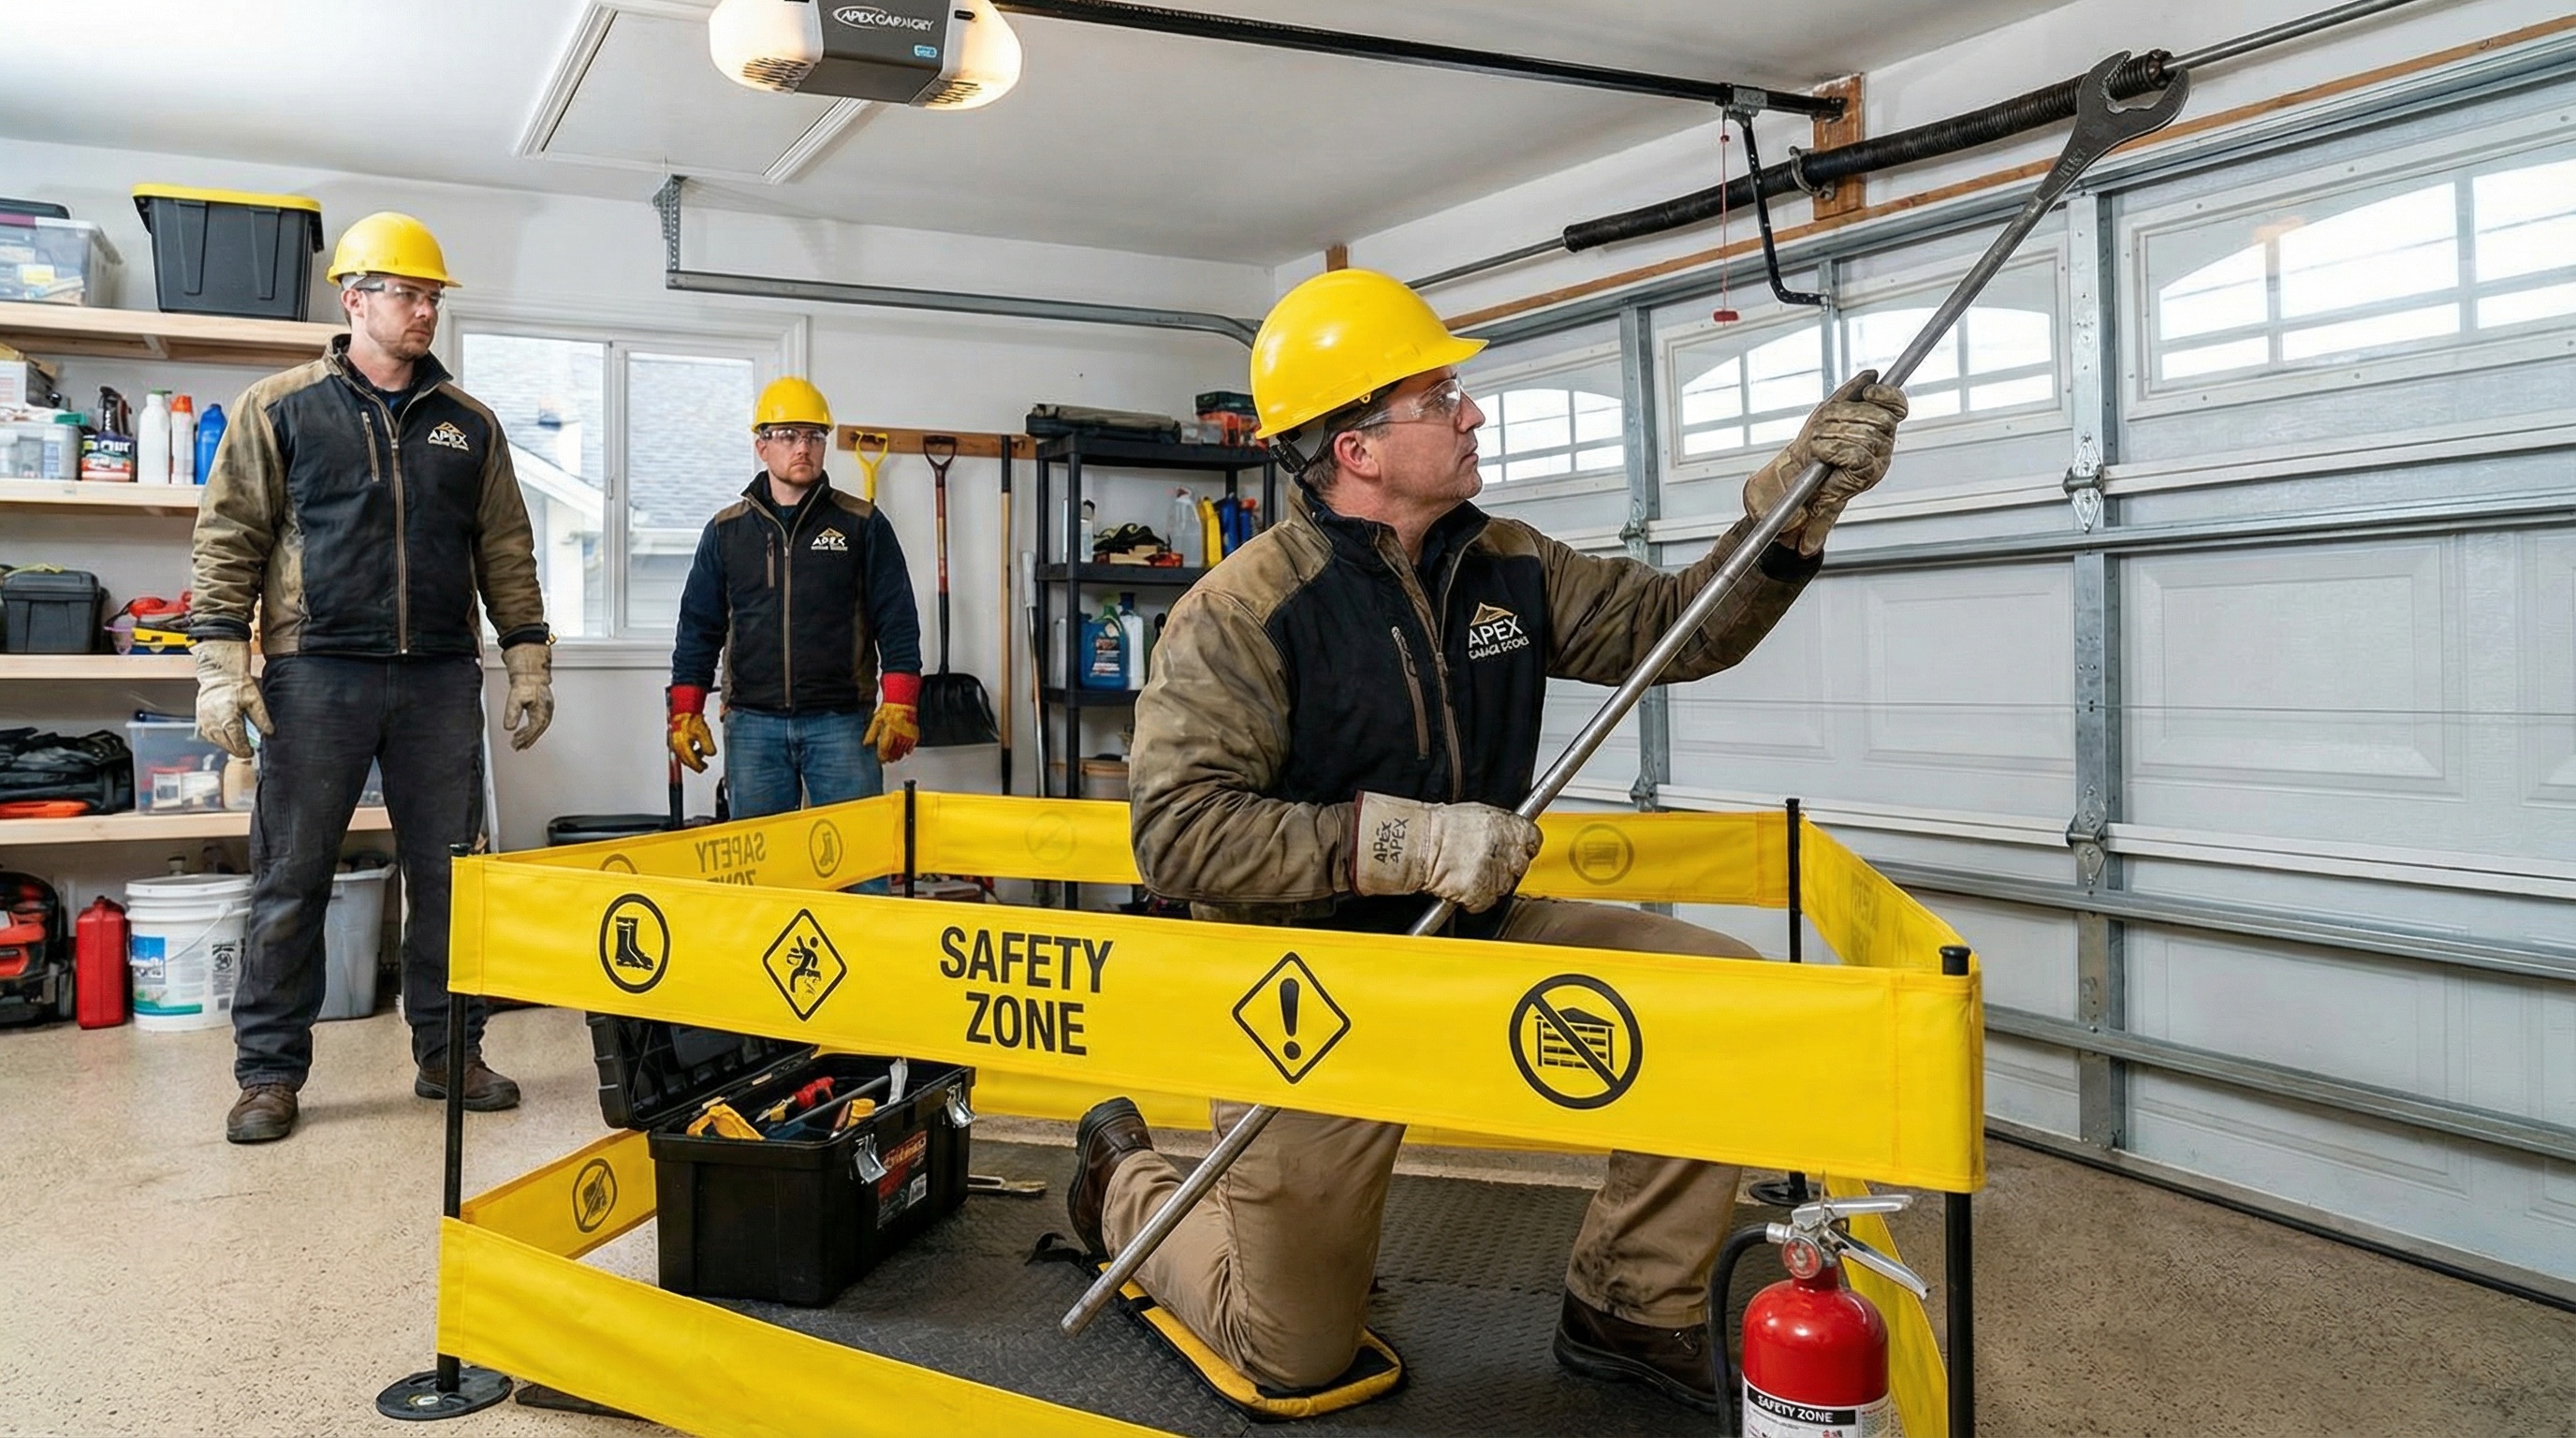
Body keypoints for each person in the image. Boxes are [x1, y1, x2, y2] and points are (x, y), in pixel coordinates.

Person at [1065, 269, 1908, 1413]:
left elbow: (1675, 630)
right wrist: (1406, 844)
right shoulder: (1242, 610)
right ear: (1356, 447)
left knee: (1718, 999)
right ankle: (1125, 1181)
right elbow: (1178, 836)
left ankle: (1627, 1304)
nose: (1470, 414)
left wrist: (1788, 515)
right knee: (1295, 1354)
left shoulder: (1506, 561)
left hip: (1475, 925)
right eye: (1440, 397)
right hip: (1303, 978)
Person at [194, 212, 554, 1145]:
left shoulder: (468, 426)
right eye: (407, 291)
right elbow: (230, 535)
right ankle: (270, 1072)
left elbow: (505, 546)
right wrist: (220, 663)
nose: (424, 307)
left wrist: (524, 655)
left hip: (437, 678)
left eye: (432, 294)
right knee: (291, 876)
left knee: (452, 879)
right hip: (317, 674)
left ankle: (448, 1052)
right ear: (354, 299)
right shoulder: (280, 407)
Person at [666, 377, 923, 878]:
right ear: (762, 444)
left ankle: (864, 955)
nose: (802, 447)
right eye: (787, 435)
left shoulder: (862, 524)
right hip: (753, 728)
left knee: (860, 868)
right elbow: (698, 626)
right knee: (762, 874)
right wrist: (685, 711)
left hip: (843, 725)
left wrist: (901, 699)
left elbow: (897, 616)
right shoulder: (726, 531)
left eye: (813, 435)